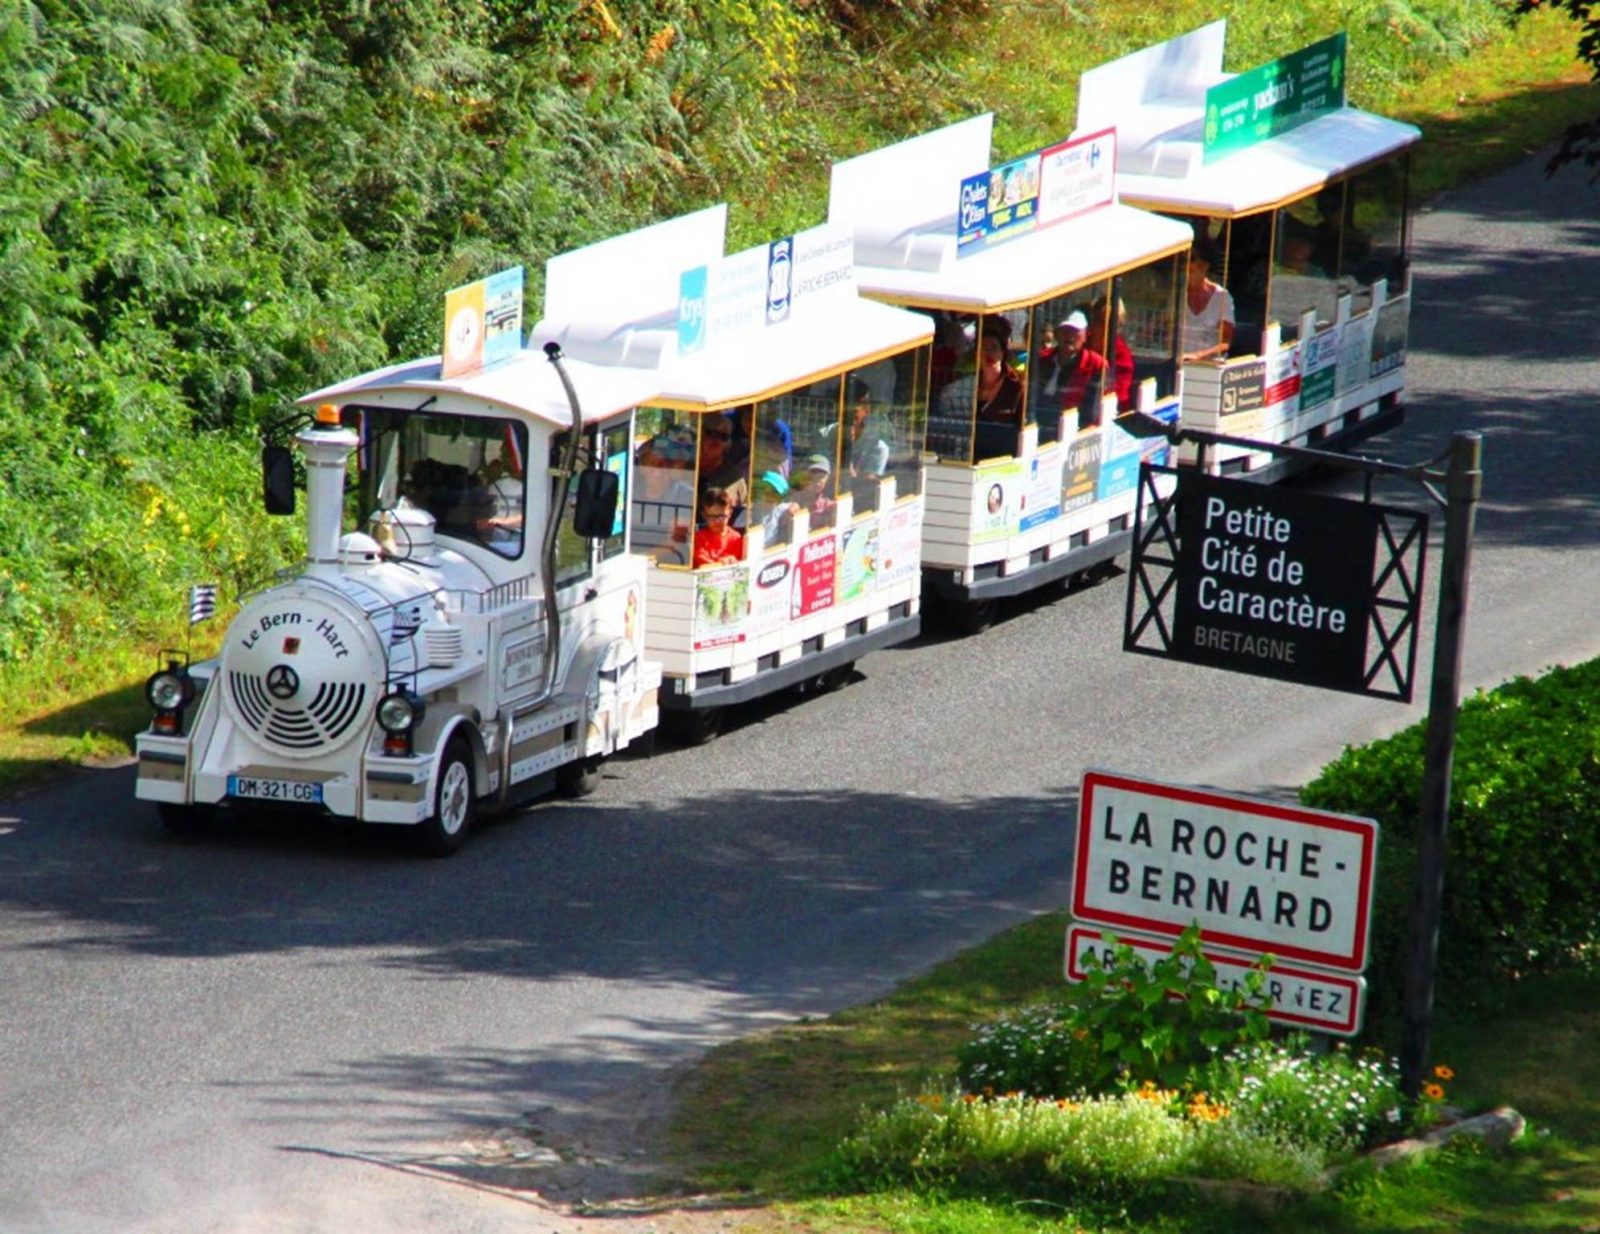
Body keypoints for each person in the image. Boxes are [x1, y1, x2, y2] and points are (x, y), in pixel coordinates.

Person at [1052, 310, 1110, 430]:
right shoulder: (1041, 359)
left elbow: (1094, 413)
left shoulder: (1096, 364)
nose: (1069, 335)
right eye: (1065, 330)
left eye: (1075, 331)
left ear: (1086, 334)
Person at [1181, 238, 1235, 362]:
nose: (1186, 275)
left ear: (1205, 266)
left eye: (1191, 270)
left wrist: (1198, 356)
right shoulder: (1178, 294)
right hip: (1179, 362)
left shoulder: (1223, 298)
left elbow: (1225, 343)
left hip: (1208, 366)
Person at [1088, 296, 1135, 410]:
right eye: (1097, 319)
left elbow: (1117, 398)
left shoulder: (1121, 355)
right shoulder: (1083, 341)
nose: (1099, 327)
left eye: (1109, 323)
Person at [692, 490, 744, 567]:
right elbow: (702, 564)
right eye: (712, 516)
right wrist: (721, 564)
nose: (717, 521)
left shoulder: (736, 538)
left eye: (722, 516)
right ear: (704, 515)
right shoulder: (698, 538)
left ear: (730, 513)